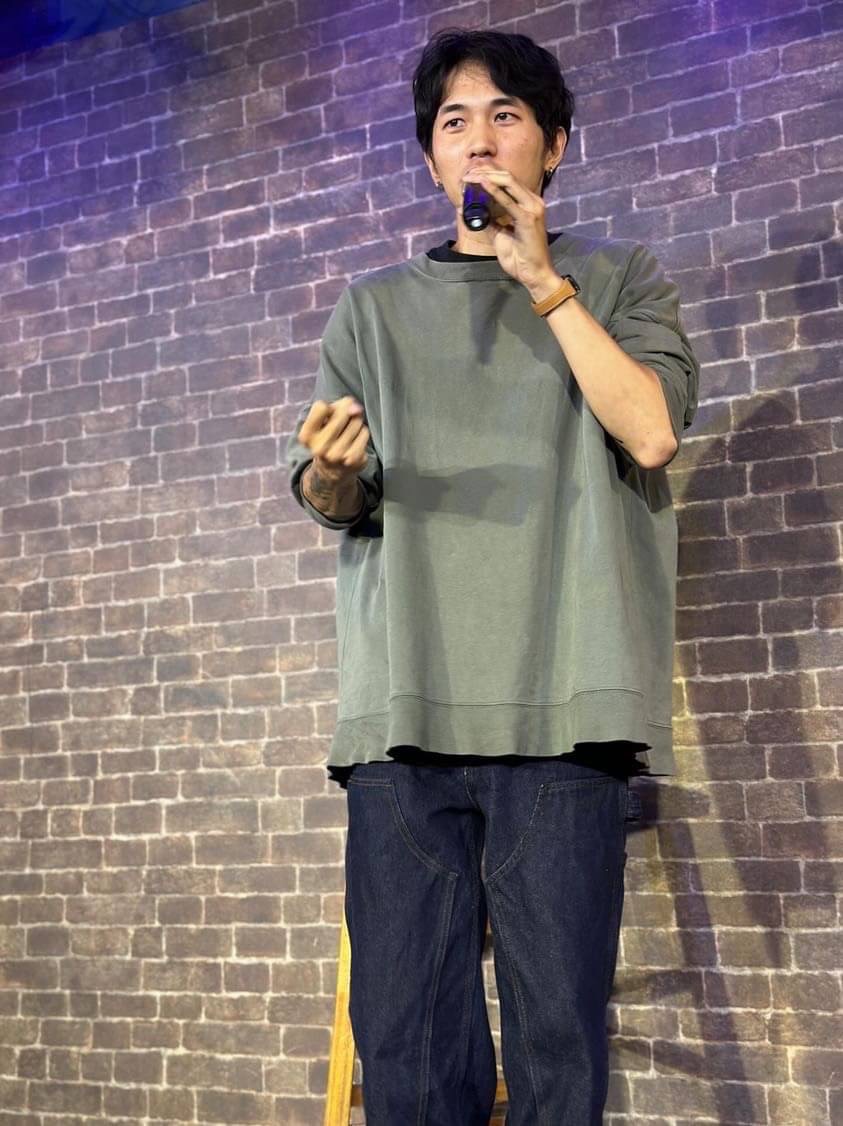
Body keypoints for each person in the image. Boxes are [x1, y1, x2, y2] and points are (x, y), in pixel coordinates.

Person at [286, 26, 700, 1126]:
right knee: (409, 1051)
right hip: (403, 722)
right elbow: (335, 498)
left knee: (558, 1043)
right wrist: (333, 472)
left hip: (565, 717)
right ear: (431, 159)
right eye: (453, 121)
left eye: (505, 116)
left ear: (552, 146)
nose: (478, 140)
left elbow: (650, 433)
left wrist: (543, 283)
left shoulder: (619, 279)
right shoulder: (370, 311)